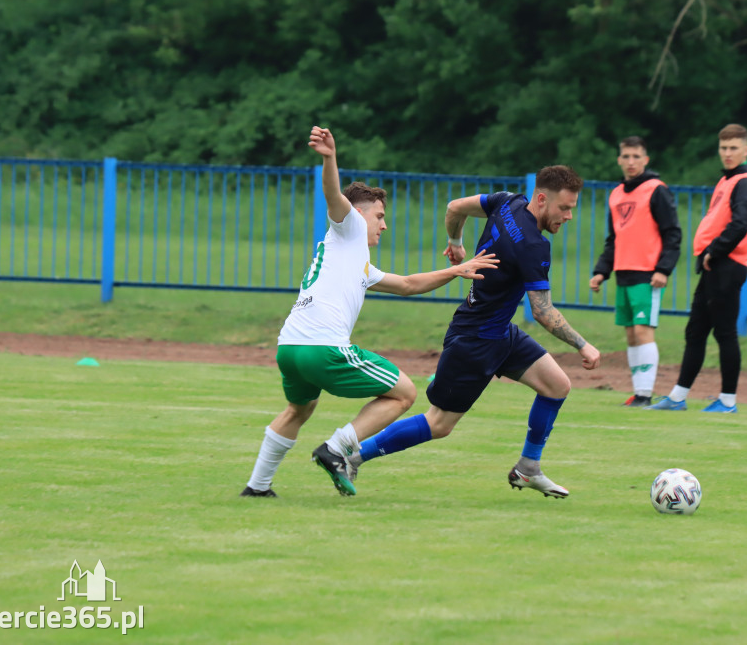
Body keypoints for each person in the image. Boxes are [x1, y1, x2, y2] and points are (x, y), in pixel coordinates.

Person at [311, 166, 602, 499]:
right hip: (475, 341)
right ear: (541, 199)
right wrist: (584, 345)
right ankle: (352, 456)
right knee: (439, 423)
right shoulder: (534, 246)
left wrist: (455, 242)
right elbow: (543, 312)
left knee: (556, 386)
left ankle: (528, 468)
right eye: (564, 208)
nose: (569, 216)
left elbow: (454, 208)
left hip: (499, 332)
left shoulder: (508, 202)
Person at [241, 126, 498, 498]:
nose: (384, 223)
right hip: (322, 346)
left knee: (299, 409)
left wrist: (456, 270)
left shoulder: (355, 261)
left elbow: (409, 284)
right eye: (379, 215)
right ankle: (336, 447)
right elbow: (333, 194)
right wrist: (330, 157)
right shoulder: (347, 229)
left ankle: (257, 486)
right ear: (358, 214)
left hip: (290, 348)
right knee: (404, 393)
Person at [648, 123, 747, 413]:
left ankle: (727, 401)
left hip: (727, 264)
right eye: (723, 148)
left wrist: (715, 249)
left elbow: (742, 222)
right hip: (715, 265)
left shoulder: (745, 181)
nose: (727, 153)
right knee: (695, 330)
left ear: (746, 150)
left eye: (734, 148)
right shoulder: (729, 179)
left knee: (725, 333)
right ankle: (677, 397)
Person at [589, 136, 681, 407]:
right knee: (630, 334)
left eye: (636, 157)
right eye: (626, 156)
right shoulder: (617, 193)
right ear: (619, 159)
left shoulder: (656, 189)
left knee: (643, 331)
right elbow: (614, 239)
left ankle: (645, 394)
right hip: (623, 273)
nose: (630, 162)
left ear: (645, 159)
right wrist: (601, 271)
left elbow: (672, 233)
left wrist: (664, 269)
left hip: (647, 274)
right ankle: (638, 392)